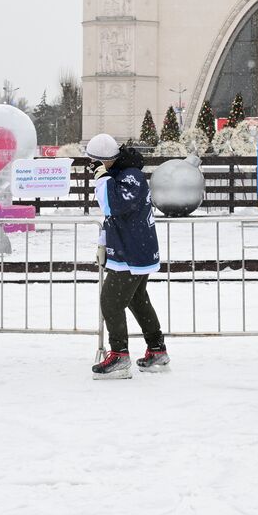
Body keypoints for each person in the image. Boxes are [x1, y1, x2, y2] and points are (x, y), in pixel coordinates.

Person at [88, 133, 168, 379]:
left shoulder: (130, 176)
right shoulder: (122, 174)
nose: (92, 167)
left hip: (133, 251)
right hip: (130, 248)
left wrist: (102, 178)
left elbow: (114, 206)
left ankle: (120, 356)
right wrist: (104, 243)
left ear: (106, 160)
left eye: (95, 162)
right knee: (137, 299)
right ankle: (157, 350)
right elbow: (114, 215)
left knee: (110, 302)